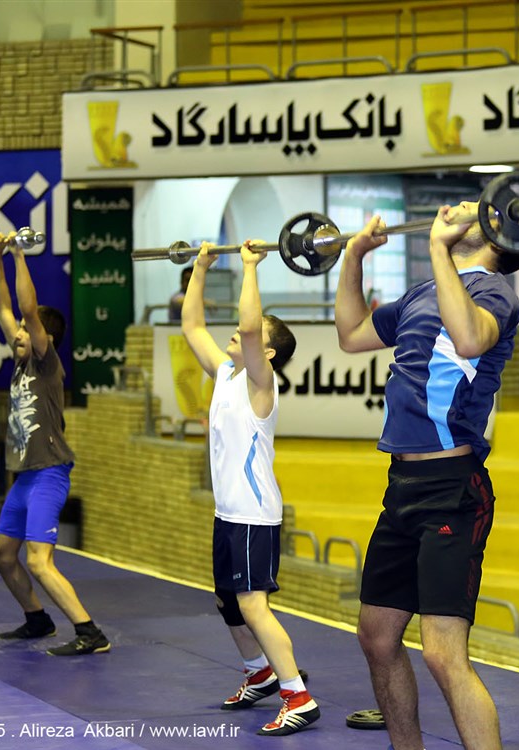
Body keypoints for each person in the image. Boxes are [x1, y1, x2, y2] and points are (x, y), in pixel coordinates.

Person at [335, 200, 519, 750]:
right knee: (376, 637)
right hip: (402, 487)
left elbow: (468, 340)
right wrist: (354, 256)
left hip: (453, 489)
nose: (451, 207)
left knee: (443, 653)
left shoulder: (495, 293)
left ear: (496, 231)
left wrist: (439, 248)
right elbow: (351, 334)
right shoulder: (424, 291)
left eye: (468, 205)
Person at [180, 240, 317, 737]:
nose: (237, 334)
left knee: (253, 605)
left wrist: (250, 267)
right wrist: (200, 267)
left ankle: (298, 696)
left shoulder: (262, 383)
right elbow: (192, 326)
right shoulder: (226, 373)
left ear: (267, 353)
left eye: (248, 334)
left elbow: (252, 326)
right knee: (227, 601)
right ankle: (259, 672)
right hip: (228, 512)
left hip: (252, 516)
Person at [0, 232, 110, 657]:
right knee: (3, 555)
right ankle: (37, 619)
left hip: (48, 474)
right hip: (25, 477)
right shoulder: (21, 362)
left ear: (44, 338)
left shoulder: (45, 362)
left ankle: (90, 632)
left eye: (25, 330)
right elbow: (1, 307)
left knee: (39, 561)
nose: (17, 333)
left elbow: (24, 309)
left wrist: (19, 254)